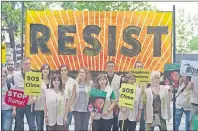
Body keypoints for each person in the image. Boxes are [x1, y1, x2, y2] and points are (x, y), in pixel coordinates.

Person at [12, 57, 36, 131]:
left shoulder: (34, 75)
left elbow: (35, 89)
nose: (28, 65)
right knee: (18, 126)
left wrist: (35, 97)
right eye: (26, 64)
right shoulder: (15, 75)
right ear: (22, 65)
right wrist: (14, 109)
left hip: (30, 104)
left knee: (32, 126)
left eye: (29, 64)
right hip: (19, 104)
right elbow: (13, 91)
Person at [33, 64, 50, 131]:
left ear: (49, 70)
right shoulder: (37, 80)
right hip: (39, 106)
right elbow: (34, 92)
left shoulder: (53, 80)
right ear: (41, 71)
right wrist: (34, 97)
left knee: (49, 127)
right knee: (39, 127)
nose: (45, 70)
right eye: (44, 69)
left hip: (50, 107)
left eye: (47, 69)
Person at [106, 61, 122, 131]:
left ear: (114, 67)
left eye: (112, 66)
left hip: (116, 104)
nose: (111, 68)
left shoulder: (119, 78)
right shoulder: (103, 77)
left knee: (115, 124)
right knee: (107, 123)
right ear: (106, 67)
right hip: (106, 104)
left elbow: (121, 91)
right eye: (109, 66)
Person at [58, 65, 75, 130]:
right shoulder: (57, 80)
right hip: (58, 106)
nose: (63, 72)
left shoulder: (72, 81)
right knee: (59, 124)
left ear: (67, 71)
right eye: (62, 70)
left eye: (65, 70)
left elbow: (74, 95)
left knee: (66, 125)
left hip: (68, 107)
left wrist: (69, 105)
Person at [134, 61, 146, 131]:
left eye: (140, 66)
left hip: (143, 103)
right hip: (134, 104)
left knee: (142, 123)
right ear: (135, 68)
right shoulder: (131, 78)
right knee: (133, 122)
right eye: (137, 66)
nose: (139, 68)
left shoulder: (146, 78)